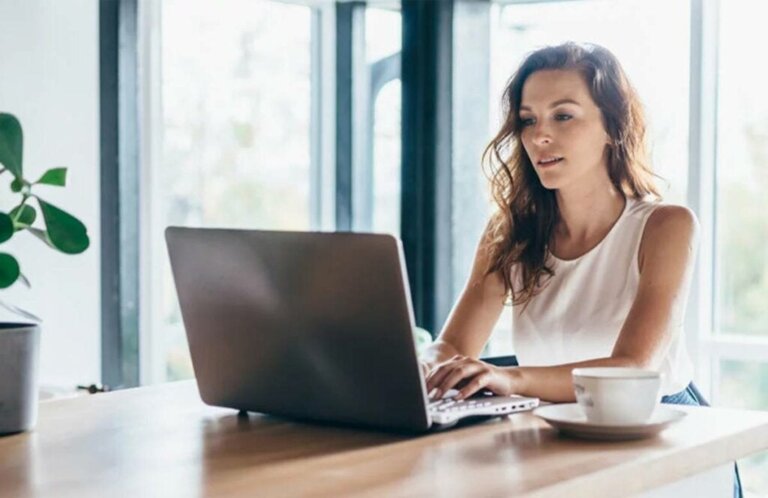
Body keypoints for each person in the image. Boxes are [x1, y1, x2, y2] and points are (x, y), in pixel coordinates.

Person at [418, 42, 741, 497]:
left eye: (563, 116)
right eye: (528, 120)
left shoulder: (666, 225)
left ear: (613, 125)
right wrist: (423, 367)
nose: (538, 136)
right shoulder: (508, 233)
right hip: (553, 432)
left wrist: (508, 378)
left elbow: (633, 368)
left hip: (663, 437)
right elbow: (452, 344)